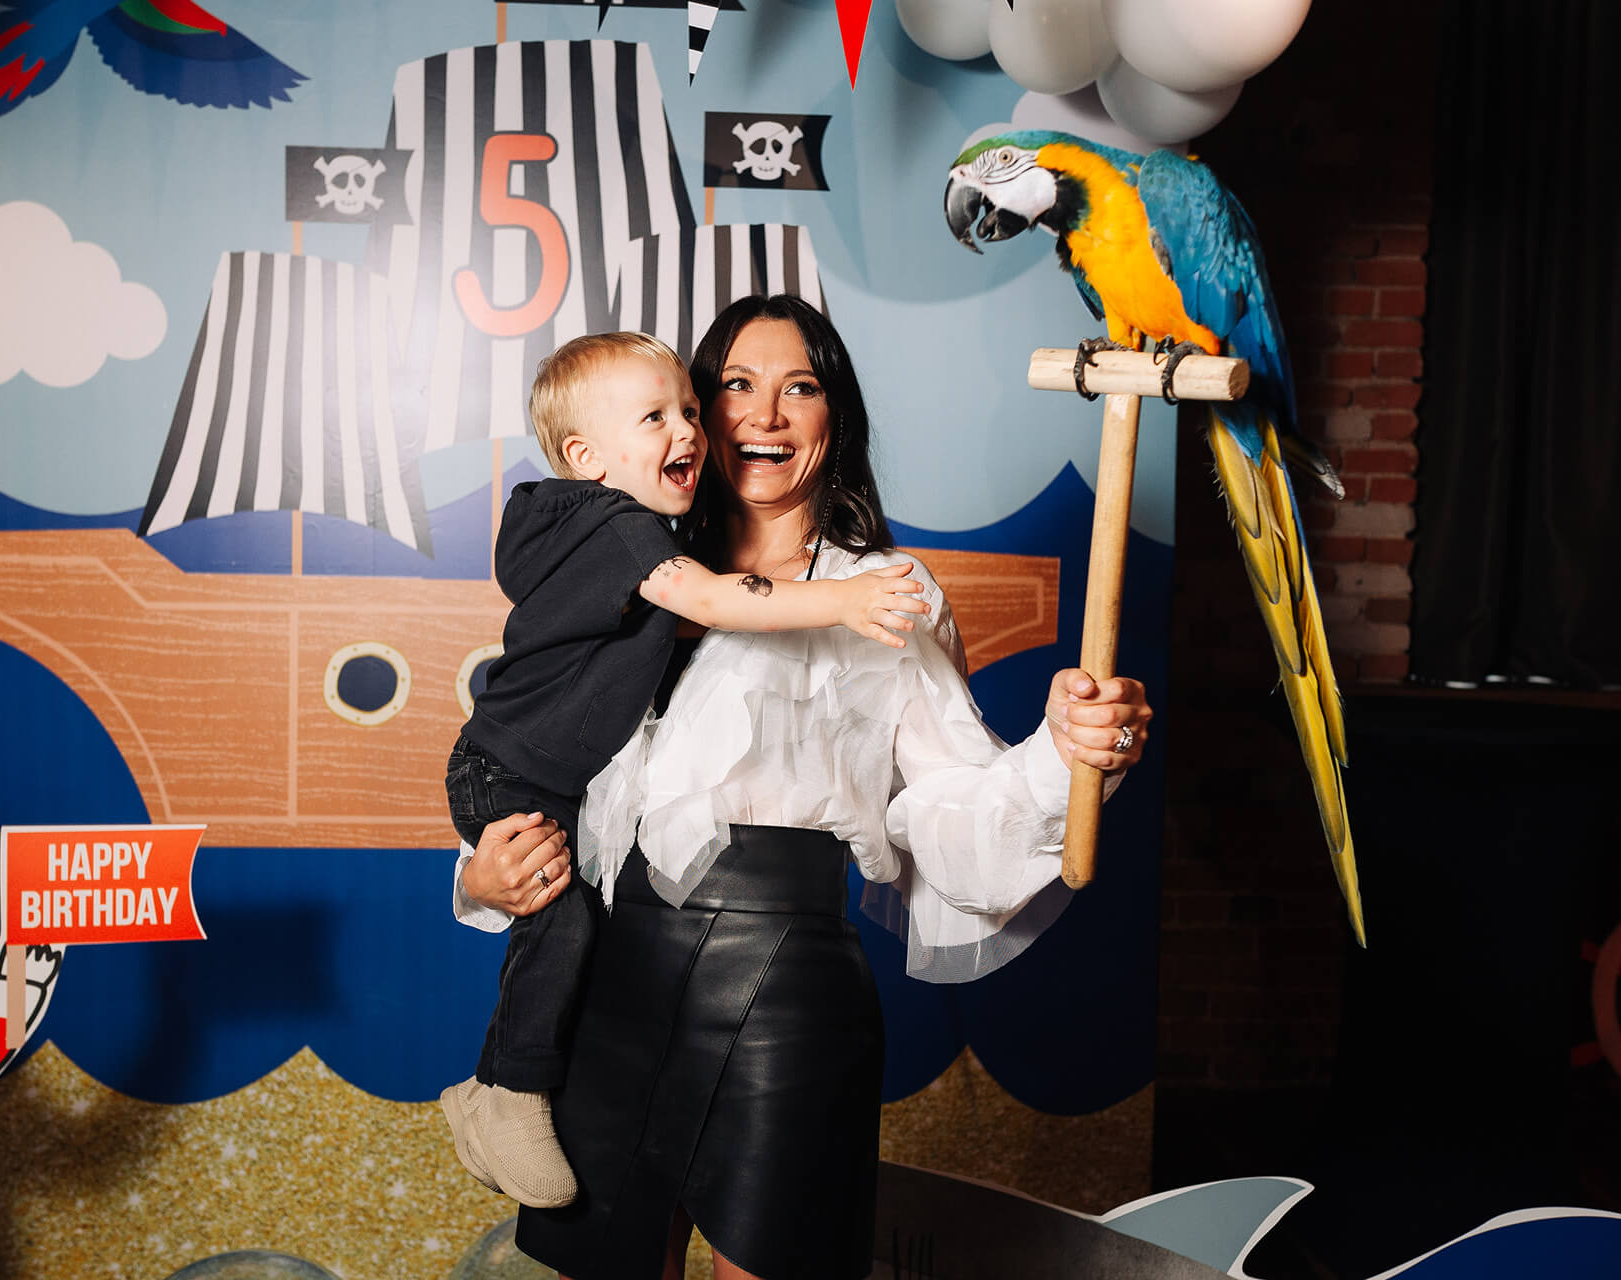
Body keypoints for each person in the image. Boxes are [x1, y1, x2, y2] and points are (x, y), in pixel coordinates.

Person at [456, 296, 1152, 1279]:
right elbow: (533, 744)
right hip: (603, 985)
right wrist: (484, 875)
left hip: (781, 999)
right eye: (736, 385)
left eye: (801, 387)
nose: (765, 414)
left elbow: (951, 811)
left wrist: (1065, 753)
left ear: (836, 418)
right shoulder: (619, 563)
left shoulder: (887, 591)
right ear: (693, 407)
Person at [440, 331, 930, 1210]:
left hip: (755, 970)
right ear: (586, 457)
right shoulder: (621, 527)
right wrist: (843, 601)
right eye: (659, 416)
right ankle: (504, 1089)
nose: (689, 431)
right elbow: (704, 600)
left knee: (564, 918)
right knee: (560, 920)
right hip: (519, 779)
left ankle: (499, 1084)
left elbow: (685, 618)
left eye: (689, 412)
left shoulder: (576, 528)